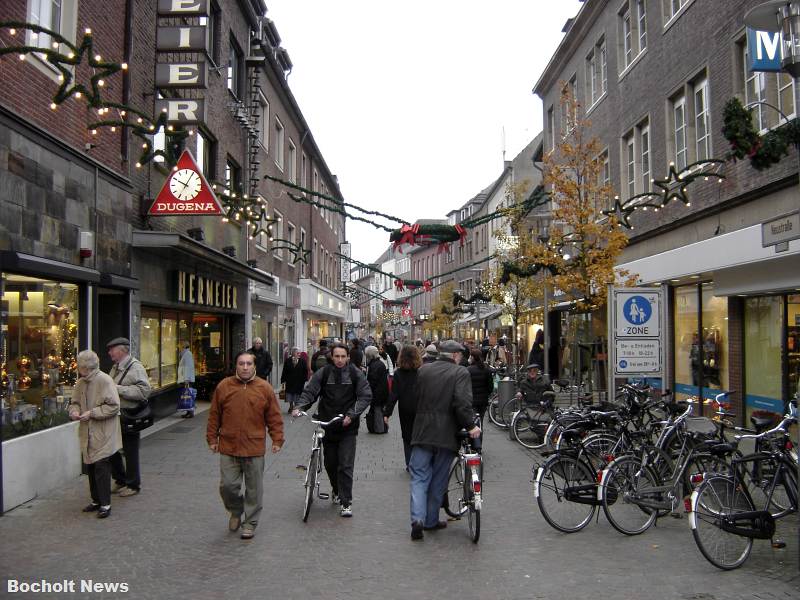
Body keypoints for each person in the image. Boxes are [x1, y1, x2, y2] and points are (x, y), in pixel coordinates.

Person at [206, 350, 284, 539]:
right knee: (228, 486)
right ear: (236, 366)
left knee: (254, 489)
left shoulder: (264, 388)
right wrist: (212, 439)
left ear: (255, 366)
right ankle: (235, 509)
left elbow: (274, 416)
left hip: (253, 446)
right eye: (242, 363)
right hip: (228, 445)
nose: (245, 367)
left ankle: (250, 523)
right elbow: (214, 414)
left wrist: (277, 439)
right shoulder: (224, 386)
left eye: (249, 364)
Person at [409, 340, 480, 540]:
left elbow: (416, 398)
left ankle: (418, 520)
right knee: (438, 479)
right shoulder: (460, 373)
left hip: (422, 432)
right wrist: (471, 426)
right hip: (446, 435)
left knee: (419, 477)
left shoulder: (423, 371)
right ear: (456, 355)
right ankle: (431, 520)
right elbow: (462, 403)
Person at [292, 343, 371, 517]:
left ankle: (346, 502)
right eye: (337, 356)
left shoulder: (355, 374)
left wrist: (352, 415)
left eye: (343, 356)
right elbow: (310, 392)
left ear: (348, 357)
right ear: (332, 357)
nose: (340, 360)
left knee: (345, 464)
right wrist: (301, 406)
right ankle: (336, 490)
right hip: (327, 424)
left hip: (347, 426)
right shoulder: (324, 373)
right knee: (330, 463)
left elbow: (365, 395)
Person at [69, 350, 122, 519]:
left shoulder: (105, 381)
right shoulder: (80, 383)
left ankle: (105, 504)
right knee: (90, 466)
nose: (79, 371)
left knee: (101, 466)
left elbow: (114, 406)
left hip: (103, 431)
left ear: (88, 368)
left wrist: (92, 413)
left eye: (81, 368)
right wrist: (74, 411)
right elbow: (74, 402)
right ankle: (96, 500)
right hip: (87, 431)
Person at [107, 337, 151, 498]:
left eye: (112, 349)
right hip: (115, 415)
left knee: (130, 450)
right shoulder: (116, 367)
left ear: (122, 350)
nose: (109, 352)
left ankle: (133, 484)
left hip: (130, 416)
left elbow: (144, 391)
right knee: (112, 449)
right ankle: (120, 479)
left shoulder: (135, 367)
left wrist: (118, 389)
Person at [384, 345, 421, 468]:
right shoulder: (421, 371)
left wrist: (387, 413)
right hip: (420, 407)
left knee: (407, 436)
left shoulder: (399, 373)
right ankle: (419, 461)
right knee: (419, 434)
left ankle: (409, 462)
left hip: (405, 408)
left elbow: (394, 394)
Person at [365, 345, 389, 434]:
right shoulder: (379, 363)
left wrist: (368, 389)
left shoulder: (374, 365)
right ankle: (380, 427)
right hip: (381, 390)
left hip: (378, 392)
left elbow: (373, 380)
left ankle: (380, 428)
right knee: (378, 409)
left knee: (377, 409)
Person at [467, 347, 493, 429]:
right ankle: (480, 436)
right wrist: (487, 393)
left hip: (472, 400)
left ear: (473, 357)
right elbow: (490, 385)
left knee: (473, 421)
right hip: (483, 400)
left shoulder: (468, 370)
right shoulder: (486, 369)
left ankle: (475, 438)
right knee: (480, 420)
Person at [280, 347, 309, 413]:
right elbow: (284, 371)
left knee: (298, 394)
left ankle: (296, 407)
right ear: (293, 353)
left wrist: (305, 379)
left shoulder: (303, 361)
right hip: (290, 380)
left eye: (299, 353)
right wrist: (283, 380)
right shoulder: (288, 360)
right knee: (290, 394)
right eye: (297, 353)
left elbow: (305, 371)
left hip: (299, 381)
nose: (299, 354)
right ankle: (291, 406)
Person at [177, 343, 196, 418]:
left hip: (187, 379)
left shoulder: (187, 354)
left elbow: (188, 367)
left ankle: (190, 412)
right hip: (186, 378)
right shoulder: (186, 354)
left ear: (184, 347)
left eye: (181, 347)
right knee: (188, 395)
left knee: (188, 395)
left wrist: (186, 379)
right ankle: (189, 411)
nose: (180, 348)